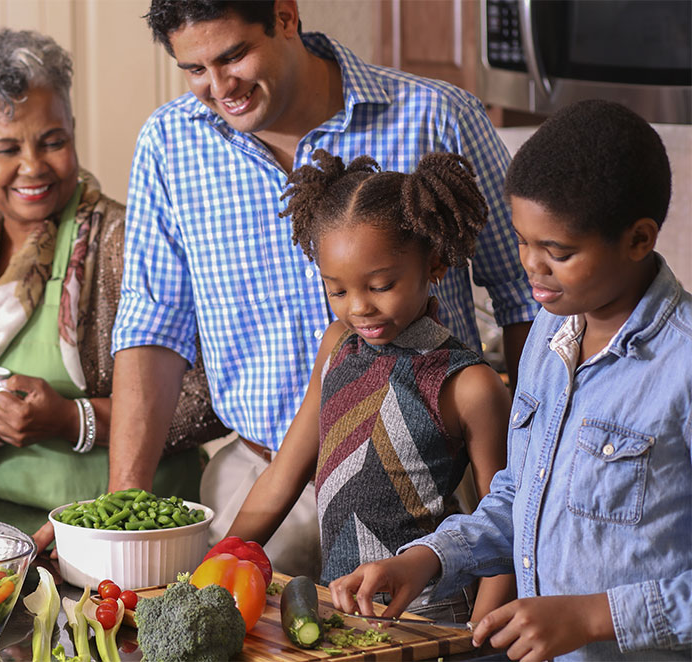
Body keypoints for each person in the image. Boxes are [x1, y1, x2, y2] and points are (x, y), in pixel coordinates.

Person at [109, 0, 537, 578]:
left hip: (435, 485)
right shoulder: (168, 143)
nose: (218, 86)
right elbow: (151, 325)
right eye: (193, 69)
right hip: (261, 475)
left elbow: (524, 291)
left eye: (234, 56)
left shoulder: (437, 114)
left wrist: (534, 476)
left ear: (285, 17)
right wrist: (118, 514)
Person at [331, 100, 691, 661]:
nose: (531, 266)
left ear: (639, 240)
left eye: (558, 252)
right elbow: (521, 494)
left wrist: (594, 615)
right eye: (523, 240)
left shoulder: (683, 364)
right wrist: (426, 558)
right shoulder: (551, 335)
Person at [0, 29, 227, 537]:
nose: (32, 166)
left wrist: (69, 419)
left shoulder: (124, 240)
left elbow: (214, 397)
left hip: (121, 533)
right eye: (6, 148)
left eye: (52, 141)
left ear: (73, 131)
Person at [226, 149, 515, 622]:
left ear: (435, 263)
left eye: (380, 285)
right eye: (337, 290)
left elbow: (503, 523)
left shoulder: (468, 384)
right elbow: (284, 474)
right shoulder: (337, 345)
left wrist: (478, 636)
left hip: (431, 617)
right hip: (342, 607)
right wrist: (224, 556)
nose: (358, 307)